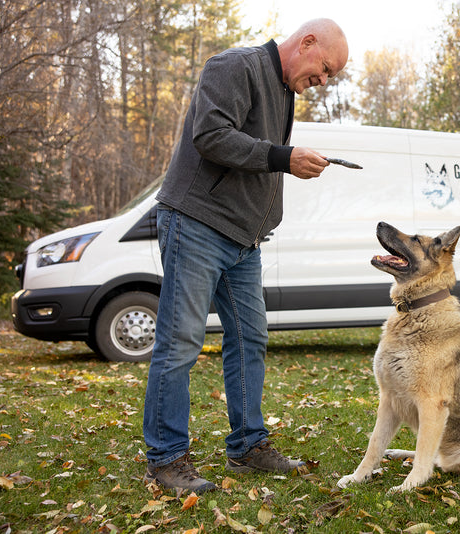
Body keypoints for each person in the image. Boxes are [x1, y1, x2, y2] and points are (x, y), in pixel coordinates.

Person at [142, 19, 349, 494]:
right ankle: (166, 459)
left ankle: (248, 446)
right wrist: (283, 157)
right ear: (307, 42)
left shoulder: (284, 89)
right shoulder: (234, 66)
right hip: (196, 223)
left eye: (329, 76)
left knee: (250, 340)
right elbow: (210, 135)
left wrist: (277, 189)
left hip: (242, 240)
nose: (322, 81)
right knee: (179, 344)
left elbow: (259, 158)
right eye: (323, 69)